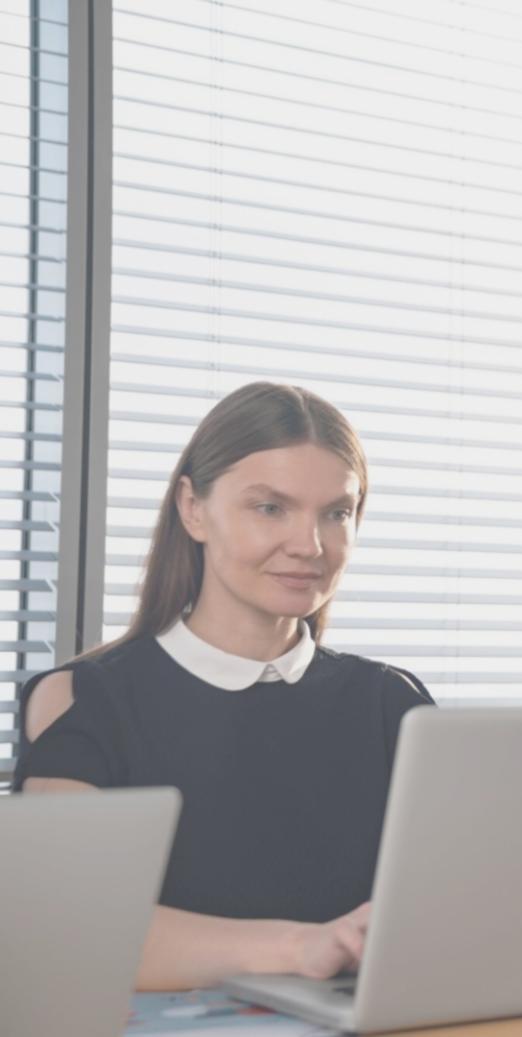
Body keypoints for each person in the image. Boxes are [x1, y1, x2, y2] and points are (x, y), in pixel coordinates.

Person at [17, 383, 433, 990]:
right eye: (270, 507)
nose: (309, 546)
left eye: (336, 513)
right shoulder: (81, 702)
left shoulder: (392, 705)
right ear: (193, 508)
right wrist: (299, 946)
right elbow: (71, 930)